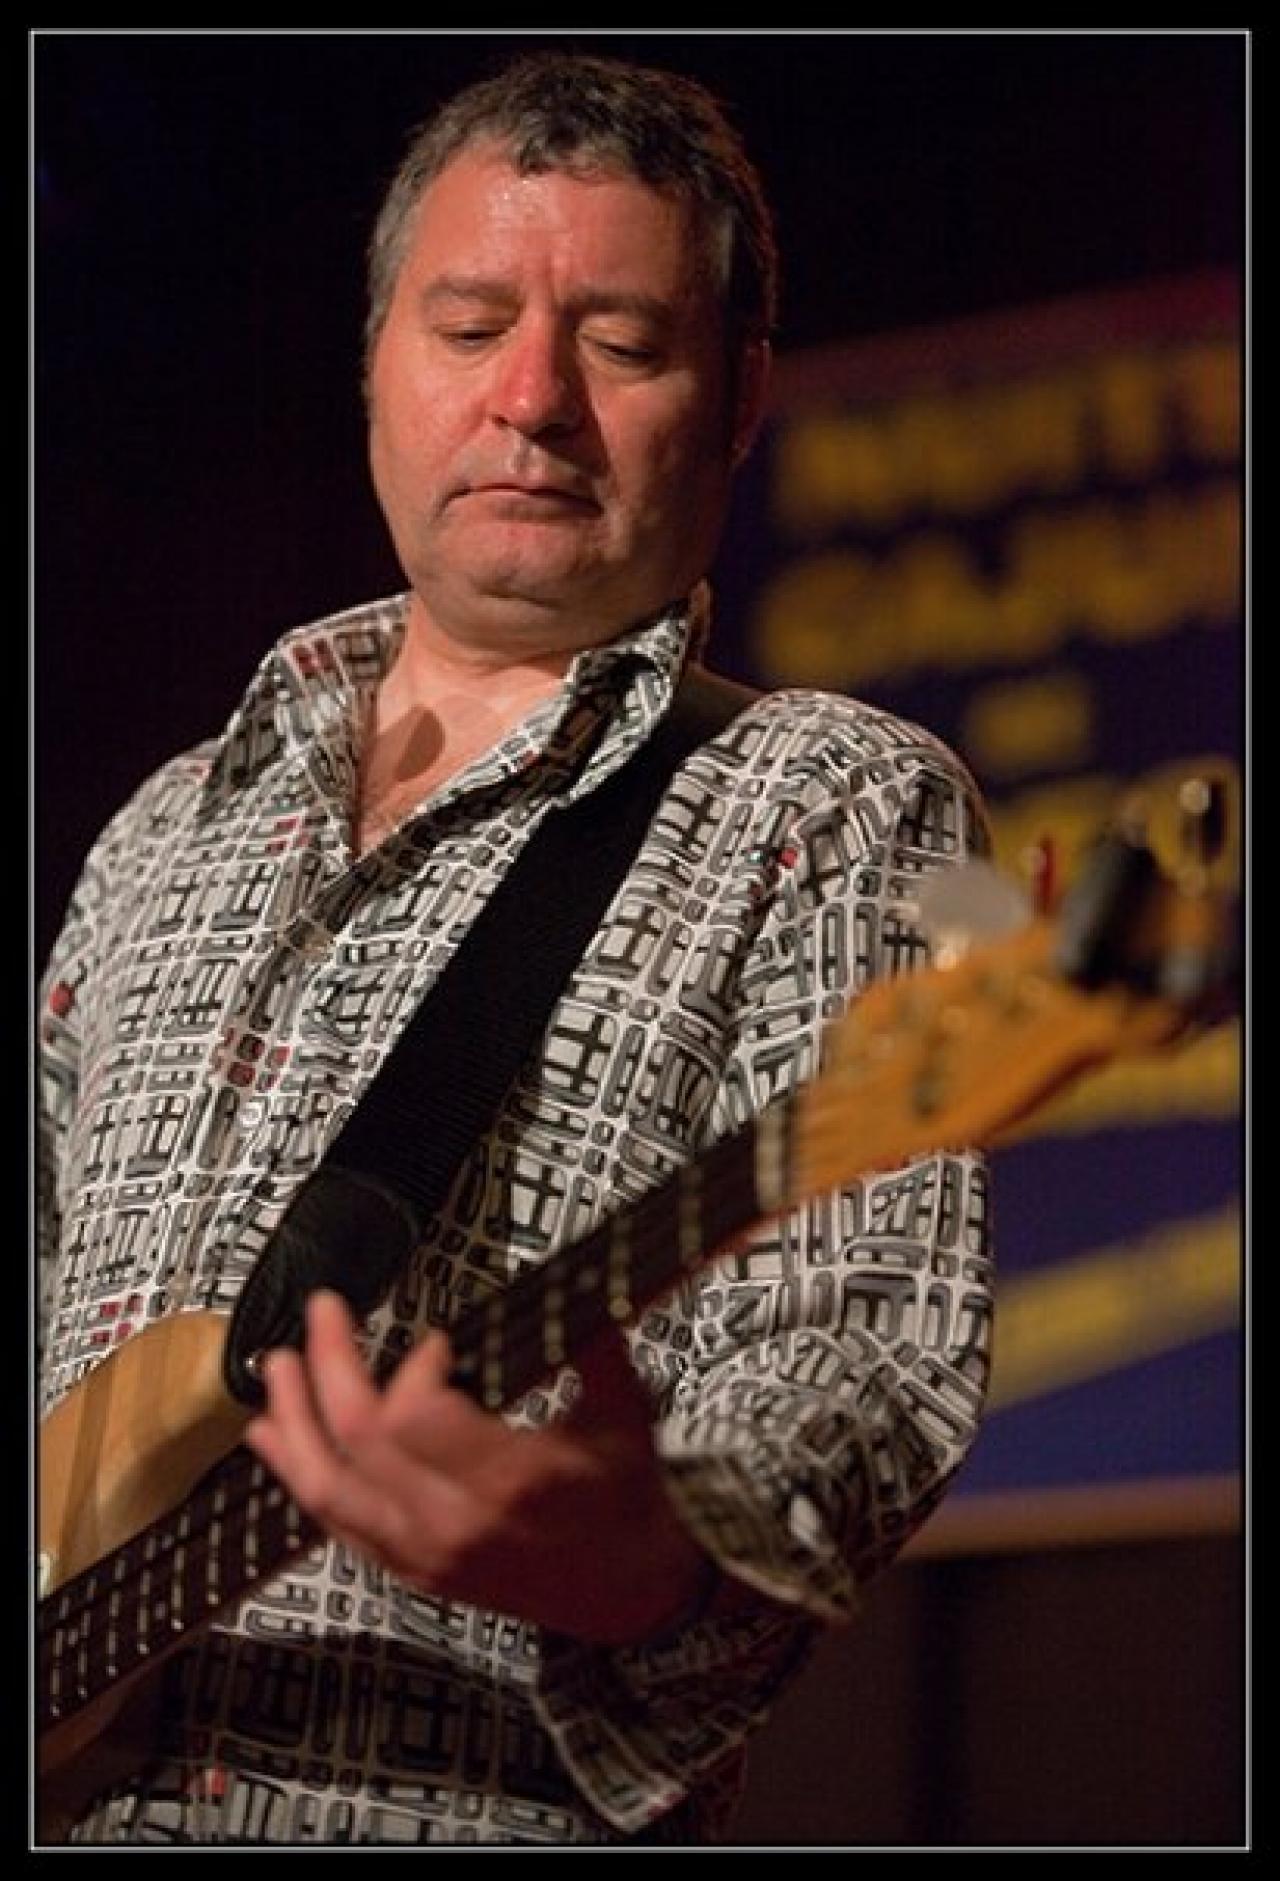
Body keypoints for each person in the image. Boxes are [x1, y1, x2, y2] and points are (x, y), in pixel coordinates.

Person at [37, 50, 994, 1846]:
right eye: (471, 326)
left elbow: (867, 1343)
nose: (534, 398)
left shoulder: (842, 800)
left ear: (740, 397)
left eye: (621, 344)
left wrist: (653, 1543)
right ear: (376, 362)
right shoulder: (166, 824)